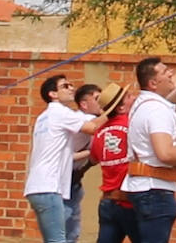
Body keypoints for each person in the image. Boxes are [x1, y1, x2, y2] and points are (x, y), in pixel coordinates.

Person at [124, 56, 176, 243]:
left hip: (146, 188)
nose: (171, 74)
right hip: (155, 191)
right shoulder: (156, 110)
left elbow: (173, 83)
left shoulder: (146, 102)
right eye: (165, 71)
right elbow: (165, 152)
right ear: (153, 83)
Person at [24, 76, 109, 243]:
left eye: (71, 84)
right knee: (59, 240)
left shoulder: (45, 116)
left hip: (39, 186)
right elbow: (93, 127)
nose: (71, 88)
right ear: (52, 94)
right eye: (65, 86)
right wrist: (113, 108)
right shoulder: (60, 112)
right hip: (49, 186)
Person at [87, 82, 134, 243]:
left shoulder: (100, 132)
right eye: (128, 97)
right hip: (129, 200)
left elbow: (93, 158)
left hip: (108, 200)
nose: (133, 98)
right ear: (120, 108)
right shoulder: (132, 125)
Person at [66, 83, 102, 243]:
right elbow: (95, 126)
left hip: (74, 178)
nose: (101, 102)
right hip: (65, 178)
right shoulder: (84, 119)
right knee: (68, 230)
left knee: (72, 229)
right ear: (84, 104)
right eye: (97, 99)